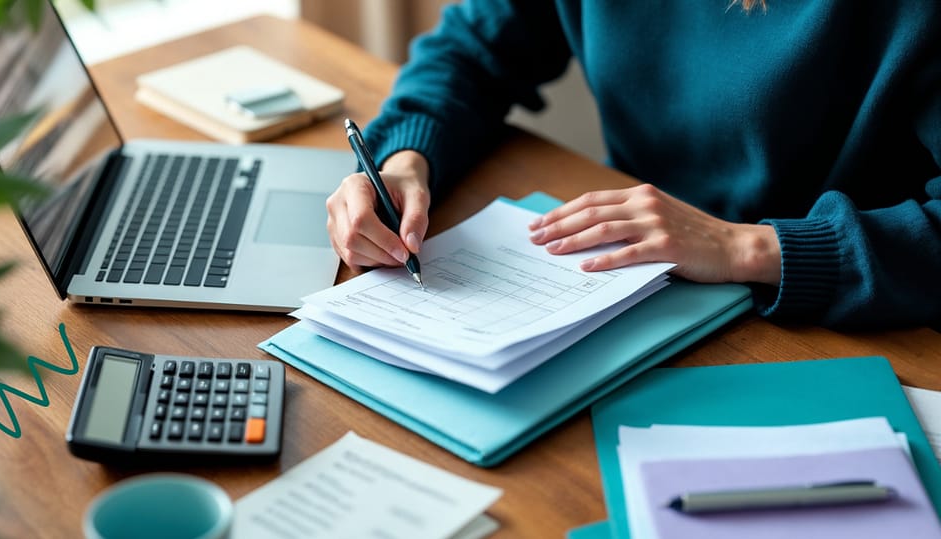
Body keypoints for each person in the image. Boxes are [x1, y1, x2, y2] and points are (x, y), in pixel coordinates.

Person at [325, 0, 941, 330]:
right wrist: (405, 160)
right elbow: (470, 50)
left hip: (841, 309)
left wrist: (746, 248)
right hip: (631, 282)